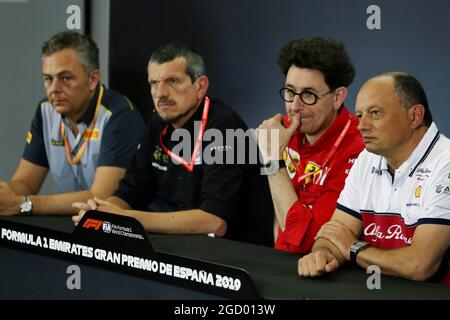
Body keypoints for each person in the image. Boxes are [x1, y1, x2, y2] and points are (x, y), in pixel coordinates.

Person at [73, 42, 274, 246]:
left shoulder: (226, 127)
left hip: (240, 255)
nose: (161, 93)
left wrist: (124, 219)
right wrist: (100, 211)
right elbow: (130, 193)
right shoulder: (158, 124)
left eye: (173, 81)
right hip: (190, 247)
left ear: (201, 86)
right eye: (154, 83)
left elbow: (213, 221)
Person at [298, 72, 450, 285]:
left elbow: (419, 265)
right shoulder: (368, 158)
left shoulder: (446, 163)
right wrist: (323, 253)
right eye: (359, 115)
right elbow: (336, 231)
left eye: (375, 113)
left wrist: (353, 248)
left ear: (414, 116)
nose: (361, 125)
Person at [0, 31, 145, 216]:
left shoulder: (119, 116)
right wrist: (6, 194)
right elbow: (25, 183)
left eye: (65, 78)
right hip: (73, 224)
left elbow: (100, 198)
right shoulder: (45, 111)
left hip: (122, 231)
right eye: (48, 78)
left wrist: (23, 204)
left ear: (92, 79)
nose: (54, 89)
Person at [256, 37, 364, 254]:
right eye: (289, 92)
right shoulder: (282, 131)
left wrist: (272, 160)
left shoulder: (359, 149)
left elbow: (305, 243)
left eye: (308, 95)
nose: (295, 106)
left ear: (338, 97)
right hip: (278, 258)